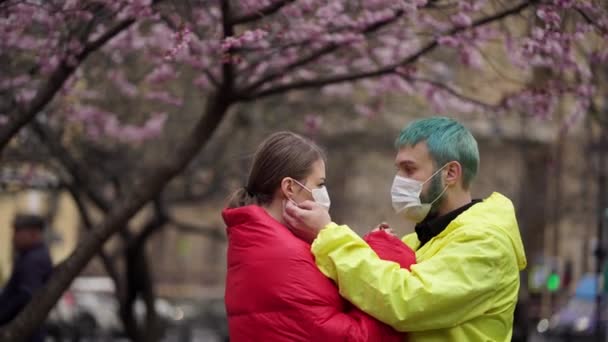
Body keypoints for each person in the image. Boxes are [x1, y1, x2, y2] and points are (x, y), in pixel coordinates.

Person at [284, 116, 527, 342]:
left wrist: (329, 235)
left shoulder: (486, 243)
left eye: (409, 169)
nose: (398, 180)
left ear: (450, 173)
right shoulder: (420, 239)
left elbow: (407, 302)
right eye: (398, 169)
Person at [222, 131, 416, 341]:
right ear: (289, 187)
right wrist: (388, 253)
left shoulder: (256, 241)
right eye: (320, 184)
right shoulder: (284, 254)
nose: (325, 194)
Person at [0, 214, 53, 342]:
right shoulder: (30, 257)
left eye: (18, 232)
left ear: (33, 233)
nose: (14, 237)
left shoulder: (33, 260)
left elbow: (26, 295)